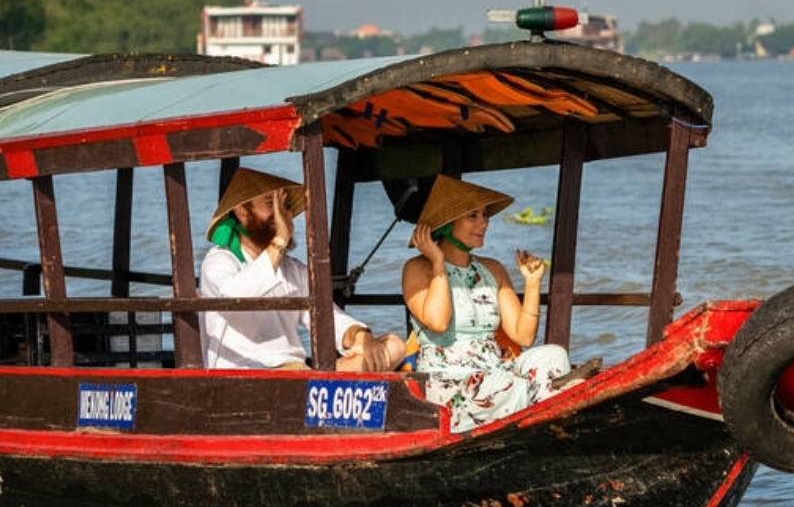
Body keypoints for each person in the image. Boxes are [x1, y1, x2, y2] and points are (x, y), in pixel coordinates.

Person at [401, 175, 575, 432]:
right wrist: (438, 262)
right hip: (449, 382)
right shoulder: (417, 268)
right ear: (447, 223)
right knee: (516, 387)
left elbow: (524, 336)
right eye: (473, 215)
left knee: (554, 355)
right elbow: (437, 322)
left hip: (496, 371)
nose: (483, 223)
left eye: (485, 215)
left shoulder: (493, 269)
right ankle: (557, 409)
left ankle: (550, 415)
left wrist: (532, 283)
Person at [199, 167, 405, 373]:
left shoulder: (292, 269)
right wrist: (280, 239)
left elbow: (329, 319)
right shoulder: (219, 261)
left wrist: (359, 335)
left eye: (285, 206)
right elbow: (238, 296)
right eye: (271, 204)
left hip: (296, 372)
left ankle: (321, 385)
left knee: (394, 346)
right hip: (245, 374)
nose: (281, 215)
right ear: (241, 211)